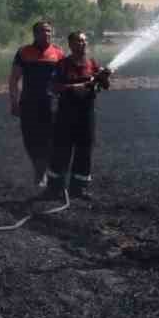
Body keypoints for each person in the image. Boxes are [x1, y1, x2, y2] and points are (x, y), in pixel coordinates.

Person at [45, 30, 110, 201]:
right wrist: (74, 88)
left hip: (86, 114)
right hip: (66, 114)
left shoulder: (92, 63)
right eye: (78, 41)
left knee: (84, 150)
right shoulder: (62, 65)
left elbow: (105, 85)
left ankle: (78, 188)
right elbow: (52, 87)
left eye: (84, 41)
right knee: (61, 150)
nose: (82, 44)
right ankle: (54, 188)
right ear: (71, 44)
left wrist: (104, 76)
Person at [8, 18, 65, 189]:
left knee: (49, 140)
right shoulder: (24, 52)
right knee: (30, 139)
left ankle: (43, 174)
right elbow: (14, 78)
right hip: (29, 103)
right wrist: (14, 101)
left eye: (49, 31)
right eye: (42, 31)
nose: (46, 34)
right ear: (35, 34)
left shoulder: (58, 53)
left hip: (51, 105)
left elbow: (64, 80)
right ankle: (38, 169)